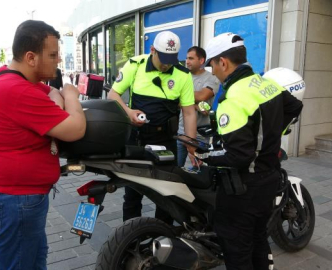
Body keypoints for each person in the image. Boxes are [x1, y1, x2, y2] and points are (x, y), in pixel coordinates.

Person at [0, 20, 86, 269]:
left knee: (32, 261)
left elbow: (51, 95)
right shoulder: (17, 90)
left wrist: (56, 97)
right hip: (9, 202)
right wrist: (72, 94)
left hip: (9, 200)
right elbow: (75, 128)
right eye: (53, 55)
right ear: (31, 57)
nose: (58, 60)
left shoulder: (4, 77)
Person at [201, 32, 303, 270]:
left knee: (238, 251)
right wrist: (271, 136)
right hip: (269, 179)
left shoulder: (234, 97)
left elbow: (238, 156)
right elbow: (295, 106)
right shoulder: (266, 84)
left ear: (223, 62)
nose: (212, 72)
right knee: (258, 239)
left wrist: (205, 158)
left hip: (242, 189)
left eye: (213, 65)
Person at [108, 30, 197, 223]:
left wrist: (191, 145)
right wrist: (128, 112)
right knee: (133, 191)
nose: (166, 65)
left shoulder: (183, 74)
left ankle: (164, 236)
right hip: (137, 139)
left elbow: (189, 112)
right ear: (152, 50)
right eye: (163, 58)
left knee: (167, 191)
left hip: (165, 140)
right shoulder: (135, 65)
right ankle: (131, 238)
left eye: (170, 60)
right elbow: (113, 96)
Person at [177, 46, 220, 168]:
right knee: (175, 170)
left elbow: (203, 95)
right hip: (181, 132)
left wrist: (182, 96)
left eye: (191, 58)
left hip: (201, 135)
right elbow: (175, 100)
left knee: (198, 169)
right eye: (186, 58)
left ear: (201, 61)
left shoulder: (212, 77)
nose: (187, 61)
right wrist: (195, 106)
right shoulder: (182, 76)